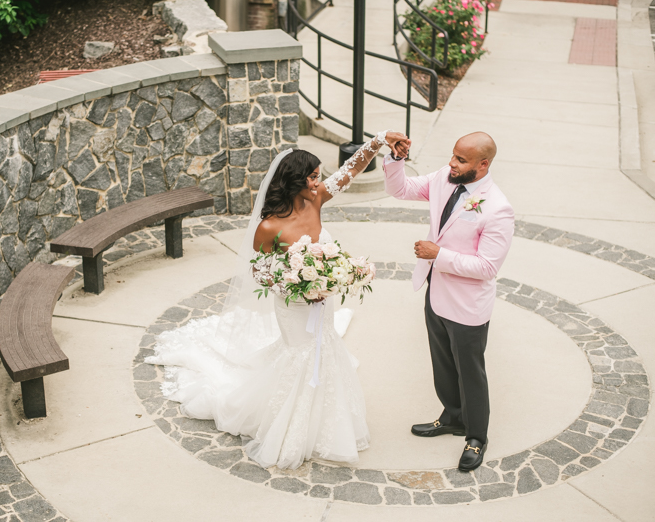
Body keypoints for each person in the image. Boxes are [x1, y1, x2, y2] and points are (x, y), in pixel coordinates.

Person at [146, 131, 410, 470]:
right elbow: (260, 273)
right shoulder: (269, 226)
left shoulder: (317, 199)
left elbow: (350, 170)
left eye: (318, 177)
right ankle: (290, 427)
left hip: (322, 299)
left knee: (325, 346)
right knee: (300, 354)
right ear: (294, 181)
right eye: (312, 177)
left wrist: (377, 143)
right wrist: (297, 285)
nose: (319, 182)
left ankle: (325, 422)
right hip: (293, 305)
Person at [383, 132, 514, 471]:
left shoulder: (498, 208)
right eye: (453, 156)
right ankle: (452, 417)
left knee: (470, 372)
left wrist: (438, 255)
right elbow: (401, 189)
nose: (452, 164)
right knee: (442, 364)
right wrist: (396, 161)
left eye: (461, 160)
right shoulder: (445, 177)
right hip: (436, 293)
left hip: (469, 306)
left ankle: (476, 437)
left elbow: (487, 267)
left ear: (483, 165)